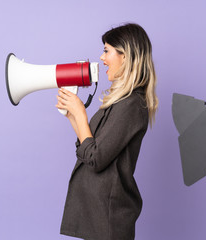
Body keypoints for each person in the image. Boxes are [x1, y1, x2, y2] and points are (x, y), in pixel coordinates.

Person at [56, 23, 158, 240]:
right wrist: (72, 116)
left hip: (108, 217)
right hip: (97, 214)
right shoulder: (118, 102)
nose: (101, 58)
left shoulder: (131, 105)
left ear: (126, 56)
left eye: (106, 50)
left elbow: (96, 158)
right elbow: (88, 147)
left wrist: (81, 114)